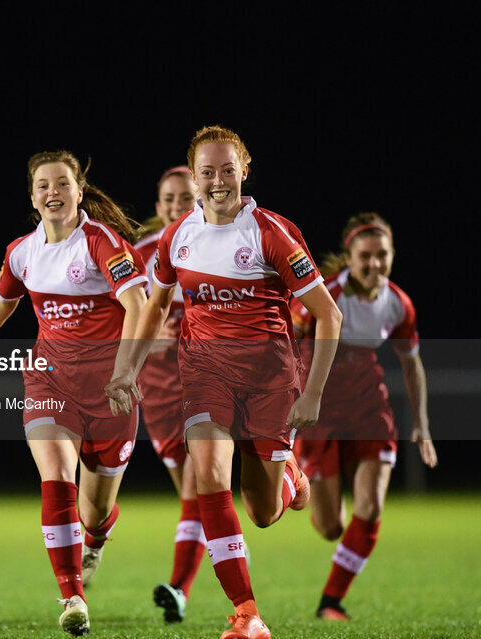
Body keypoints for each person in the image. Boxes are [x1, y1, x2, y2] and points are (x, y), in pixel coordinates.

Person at [105, 125, 343, 639]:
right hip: (205, 375)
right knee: (209, 478)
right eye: (207, 172)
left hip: (269, 378)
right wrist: (127, 366)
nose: (218, 181)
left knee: (261, 512)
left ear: (244, 171)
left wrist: (315, 393)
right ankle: (246, 613)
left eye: (227, 170)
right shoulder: (177, 237)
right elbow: (157, 307)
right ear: (194, 178)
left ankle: (287, 477)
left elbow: (329, 316)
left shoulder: (272, 233)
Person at [0, 150, 147, 636]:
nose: (53, 192)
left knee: (94, 510)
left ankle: (96, 537)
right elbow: (2, 301)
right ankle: (72, 595)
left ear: (79, 191)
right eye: (43, 185)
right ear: (32, 197)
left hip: (110, 392)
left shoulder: (102, 244)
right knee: (56, 477)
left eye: (62, 184)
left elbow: (137, 306)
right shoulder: (22, 251)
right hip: (49, 380)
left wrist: (123, 371)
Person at [291, 213, 437, 621]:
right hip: (320, 410)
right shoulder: (325, 295)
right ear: (350, 257)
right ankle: (298, 477)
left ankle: (331, 602)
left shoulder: (398, 303)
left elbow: (412, 364)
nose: (375, 264)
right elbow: (287, 347)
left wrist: (421, 424)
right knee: (330, 528)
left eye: (382, 255)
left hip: (369, 408)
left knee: (370, 507)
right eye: (365, 256)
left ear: (392, 255)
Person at [131, 166, 205, 623]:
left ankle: (179, 589)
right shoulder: (139, 255)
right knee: (192, 498)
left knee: (199, 491)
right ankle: (221, 546)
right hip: (157, 393)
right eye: (169, 199)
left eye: (185, 197)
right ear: (158, 208)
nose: (177, 205)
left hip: (206, 385)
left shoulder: (215, 245)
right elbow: (116, 313)